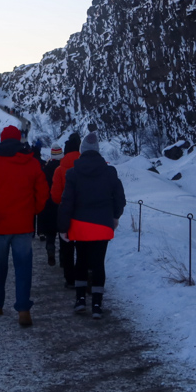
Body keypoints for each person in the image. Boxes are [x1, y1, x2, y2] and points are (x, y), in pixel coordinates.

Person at [0, 125, 49, 327]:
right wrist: (33, 211)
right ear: (19, 140)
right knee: (23, 268)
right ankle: (23, 310)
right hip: (23, 225)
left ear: (1, 140)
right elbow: (43, 193)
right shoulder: (32, 163)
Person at [58, 132, 126, 319]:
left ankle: (80, 300)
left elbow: (67, 202)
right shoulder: (110, 172)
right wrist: (114, 216)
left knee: (80, 260)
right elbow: (120, 198)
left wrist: (63, 227)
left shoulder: (72, 173)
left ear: (82, 151)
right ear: (97, 151)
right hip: (102, 225)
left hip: (79, 225)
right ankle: (97, 304)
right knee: (98, 263)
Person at [51, 132, 82, 288]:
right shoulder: (85, 166)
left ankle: (70, 278)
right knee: (84, 248)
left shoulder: (59, 170)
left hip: (66, 214)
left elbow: (56, 196)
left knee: (67, 247)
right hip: (84, 213)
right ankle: (84, 275)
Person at [36, 144, 63, 266]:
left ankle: (50, 249)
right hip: (62, 205)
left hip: (48, 205)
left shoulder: (45, 169)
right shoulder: (64, 168)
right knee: (63, 233)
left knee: (50, 233)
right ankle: (64, 258)